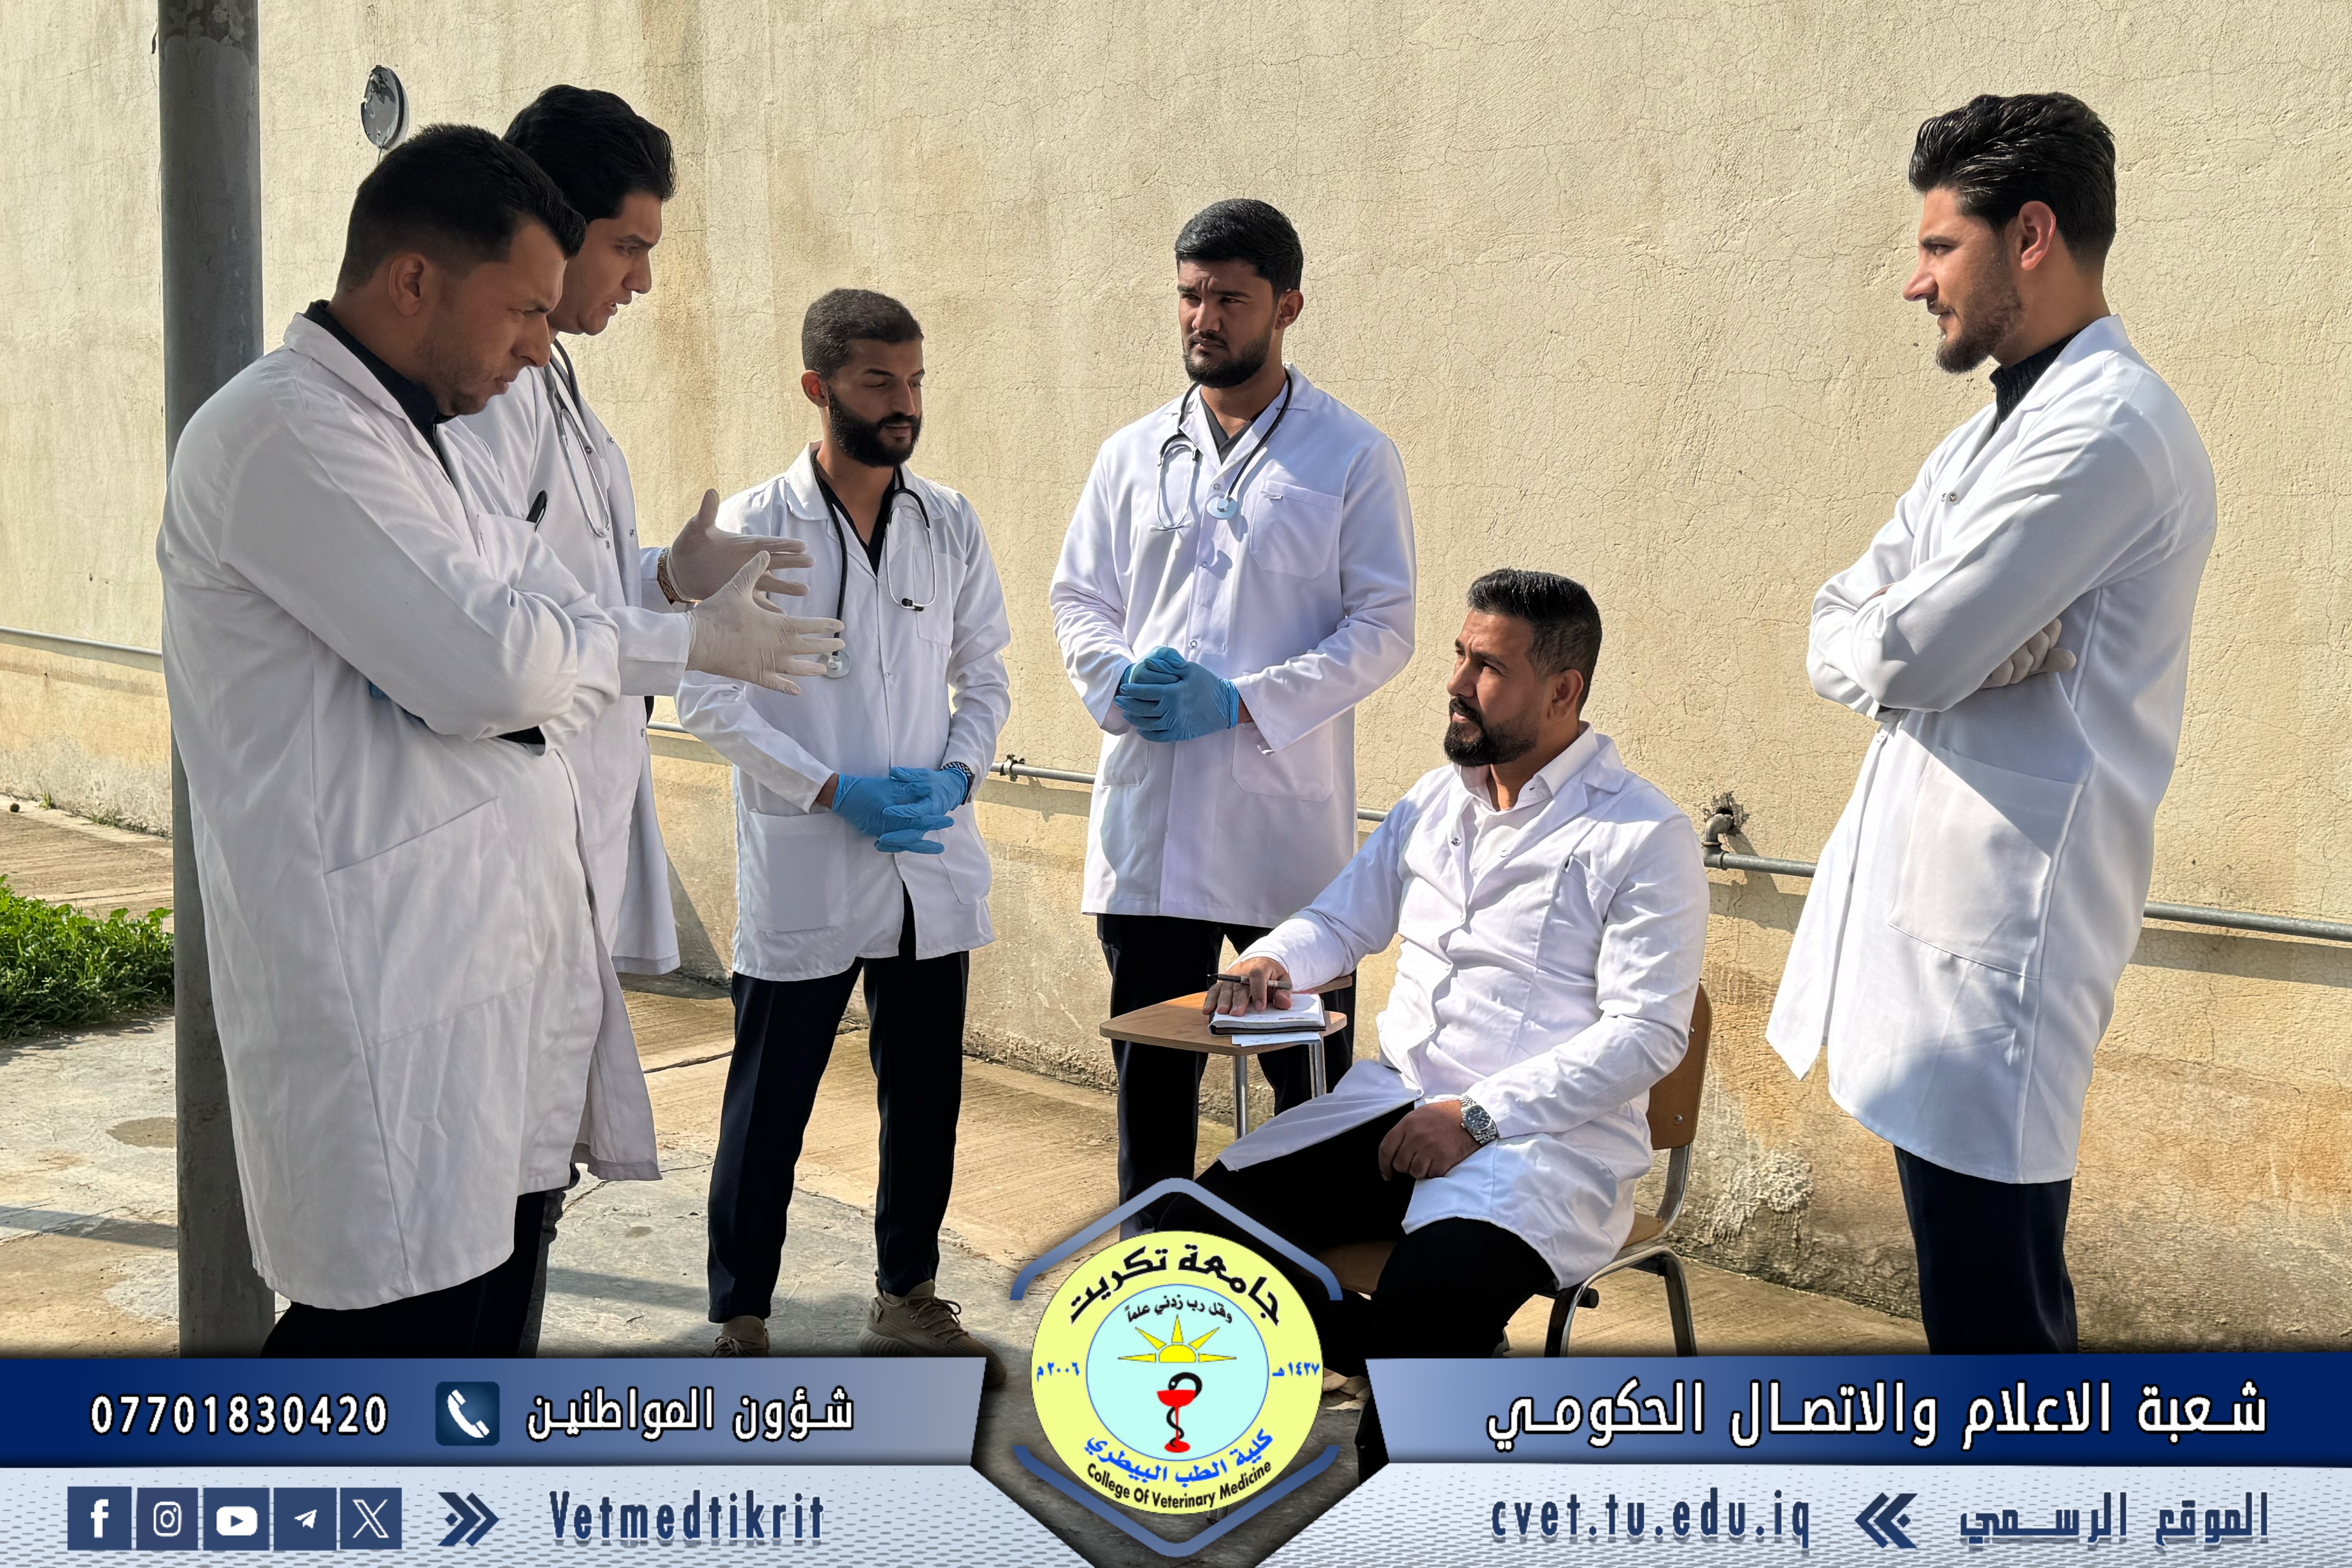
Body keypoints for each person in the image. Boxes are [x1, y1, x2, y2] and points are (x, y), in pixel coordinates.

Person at [157, 126, 811, 1354]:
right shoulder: (288, 433)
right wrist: (671, 636)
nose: (537, 345)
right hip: (380, 977)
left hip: (473, 962)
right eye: (522, 311)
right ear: (414, 280)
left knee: (470, 1334)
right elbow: (492, 664)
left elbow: (537, 596)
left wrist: (648, 601)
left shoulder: (408, 435)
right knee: (379, 1349)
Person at [1766, 93, 2217, 1353]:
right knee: (1976, 1313)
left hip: (1999, 952)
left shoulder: (2110, 431)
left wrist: (1919, 650)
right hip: (1930, 940)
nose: (1914, 282)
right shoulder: (1993, 435)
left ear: (2030, 235)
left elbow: (1914, 644)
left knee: (1998, 1332)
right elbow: (1847, 623)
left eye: (1936, 246)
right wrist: (1920, 650)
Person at [1156, 570, 1706, 1474]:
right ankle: (1420, 1364)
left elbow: (1647, 1033)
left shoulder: (1641, 835)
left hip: (1539, 1144)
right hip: (1394, 1105)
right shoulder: (1434, 800)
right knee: (1186, 1234)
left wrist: (1476, 1116)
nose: (1455, 682)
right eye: (1460, 655)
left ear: (1562, 691)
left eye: (1488, 667)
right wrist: (1273, 960)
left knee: (1426, 1309)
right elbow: (1340, 921)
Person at [458, 86, 838, 1351]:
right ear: (552, 225)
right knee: (481, 1211)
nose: (642, 281)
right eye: (628, 247)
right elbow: (501, 633)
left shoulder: (554, 386)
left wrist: (670, 576)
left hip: (559, 840)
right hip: (504, 840)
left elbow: (570, 593)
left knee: (525, 1194)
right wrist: (680, 631)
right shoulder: (484, 395)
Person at [1049, 199, 1416, 1207]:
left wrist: (1243, 702)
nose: (1202, 319)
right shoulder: (1132, 453)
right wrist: (1114, 677)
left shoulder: (1350, 454)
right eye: (1189, 296)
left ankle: (1304, 1276)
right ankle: (1152, 1271)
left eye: (1229, 300)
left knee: (1307, 1087)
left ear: (1287, 306)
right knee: (1151, 1089)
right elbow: (1079, 596)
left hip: (1280, 833)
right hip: (1153, 830)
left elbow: (1384, 626)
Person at [678, 290, 1012, 1379]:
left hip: (925, 857)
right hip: (810, 860)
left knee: (925, 1100)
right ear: (818, 388)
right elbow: (708, 697)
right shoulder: (755, 529)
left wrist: (957, 773)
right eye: (879, 381)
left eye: (914, 380)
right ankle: (741, 1313)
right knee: (769, 1102)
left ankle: (906, 1291)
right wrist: (830, 788)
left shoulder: (948, 521)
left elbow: (987, 672)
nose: (904, 402)